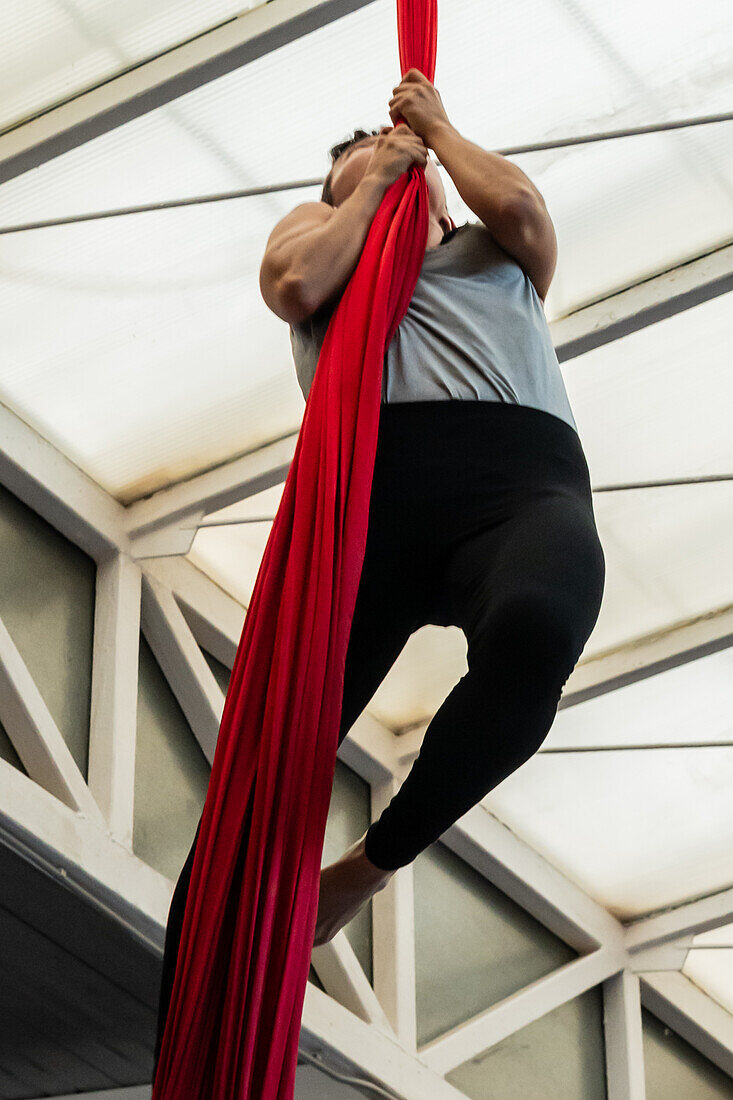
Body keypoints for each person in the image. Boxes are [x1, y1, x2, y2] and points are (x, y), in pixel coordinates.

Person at [154, 70, 605, 1064]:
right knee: (254, 792)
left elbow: (524, 204)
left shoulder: (495, 252)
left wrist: (438, 130)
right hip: (368, 515)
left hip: (515, 485)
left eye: (413, 170)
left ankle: (363, 869)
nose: (397, 174)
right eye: (365, 166)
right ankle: (197, 1026)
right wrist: (367, 186)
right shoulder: (316, 243)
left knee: (535, 632)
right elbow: (296, 287)